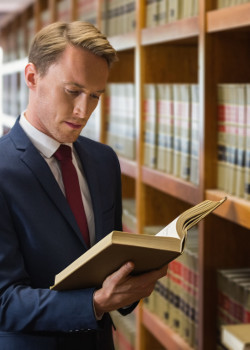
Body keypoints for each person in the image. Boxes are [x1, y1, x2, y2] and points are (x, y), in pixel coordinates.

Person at [0, 21, 168, 349]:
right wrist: (95, 303)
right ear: (32, 77)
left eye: (95, 96)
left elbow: (109, 261)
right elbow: (3, 301)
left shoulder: (104, 161)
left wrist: (131, 283)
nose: (83, 111)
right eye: (73, 91)